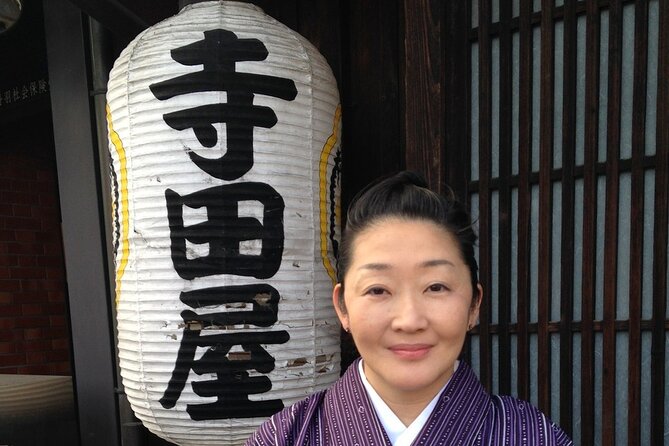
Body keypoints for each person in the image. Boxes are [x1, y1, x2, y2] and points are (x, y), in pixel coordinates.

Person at [246, 171, 572, 445]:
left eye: (436, 287)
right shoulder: (285, 436)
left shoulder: (529, 435)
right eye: (378, 289)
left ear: (474, 304)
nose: (409, 320)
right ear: (342, 307)